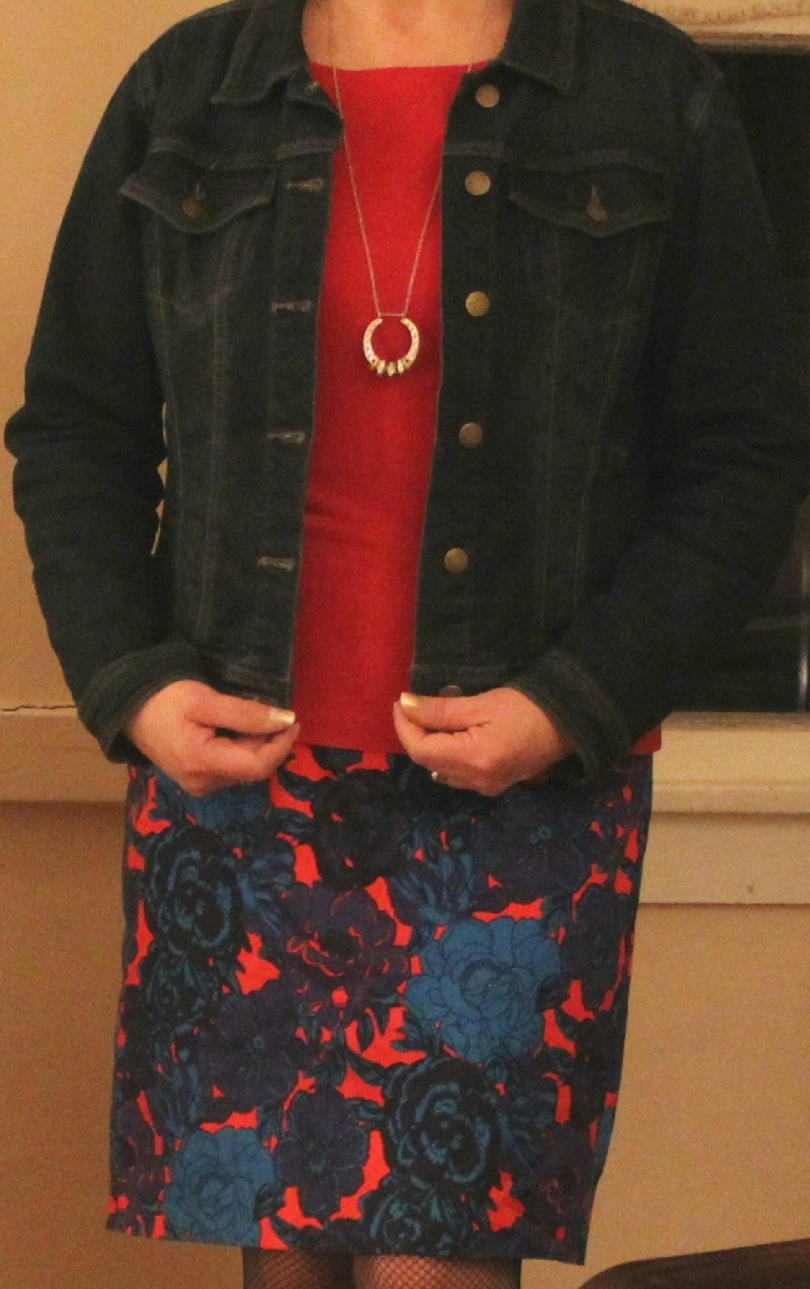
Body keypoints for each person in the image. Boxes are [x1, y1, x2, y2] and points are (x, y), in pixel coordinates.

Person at [6, 0, 809, 1284]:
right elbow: (75, 429)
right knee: (291, 1257)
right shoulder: (189, 89)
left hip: (524, 793)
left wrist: (576, 699)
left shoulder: (647, 91)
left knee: (436, 1261)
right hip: (243, 788)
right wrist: (133, 682)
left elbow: (744, 455)